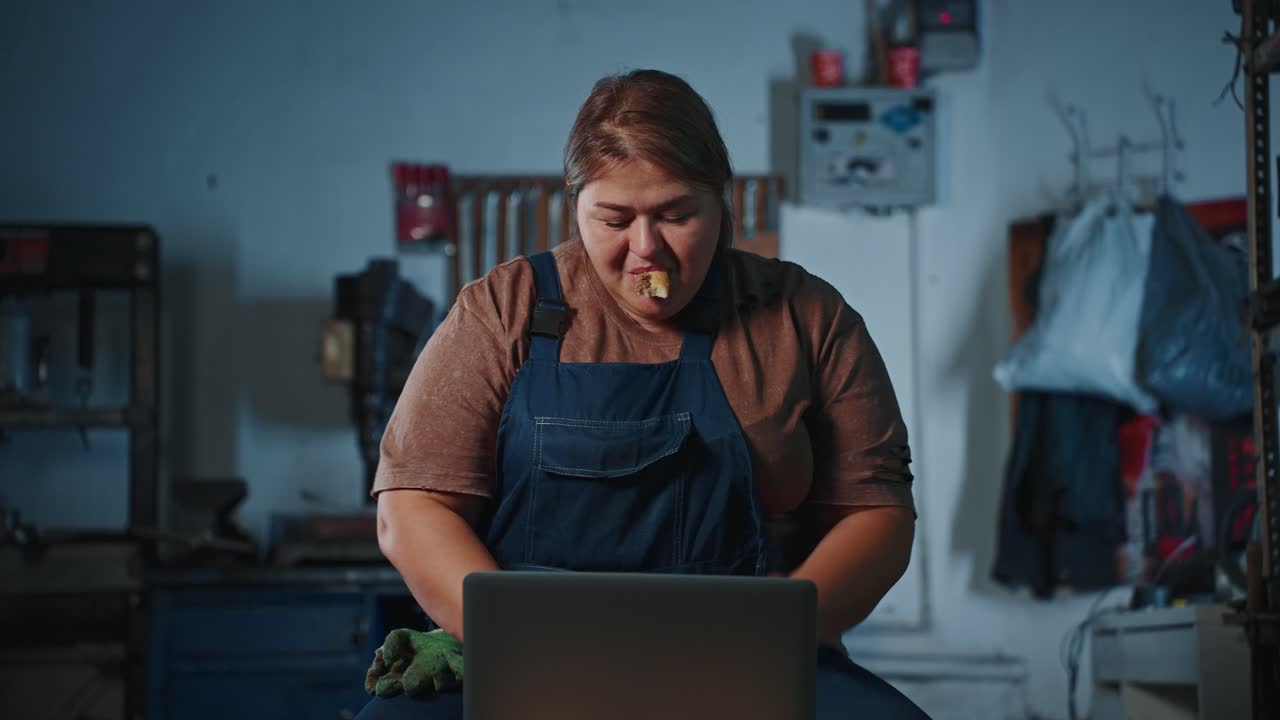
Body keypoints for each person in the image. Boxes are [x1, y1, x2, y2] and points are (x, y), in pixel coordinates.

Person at [356, 68, 928, 719]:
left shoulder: (808, 317)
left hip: (752, 654)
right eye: (614, 219)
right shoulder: (502, 310)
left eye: (676, 215)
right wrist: (513, 640)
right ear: (577, 207)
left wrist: (775, 637)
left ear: (721, 204)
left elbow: (876, 514)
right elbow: (412, 508)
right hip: (528, 650)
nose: (646, 250)